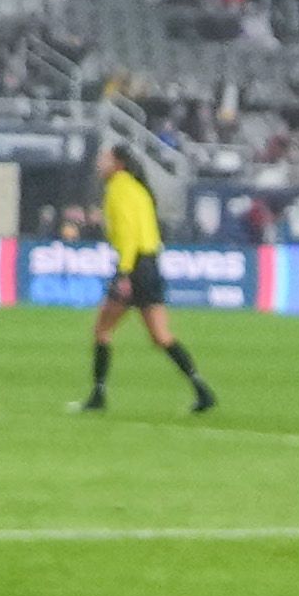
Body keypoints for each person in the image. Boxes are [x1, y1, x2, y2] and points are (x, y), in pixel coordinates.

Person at [78, 139, 217, 416]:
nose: (99, 163)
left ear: (118, 164)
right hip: (150, 264)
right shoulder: (139, 188)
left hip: (134, 266)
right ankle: (202, 389)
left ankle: (98, 395)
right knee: (161, 336)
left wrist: (124, 274)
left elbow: (128, 235)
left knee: (103, 330)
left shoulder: (118, 189)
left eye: (104, 159)